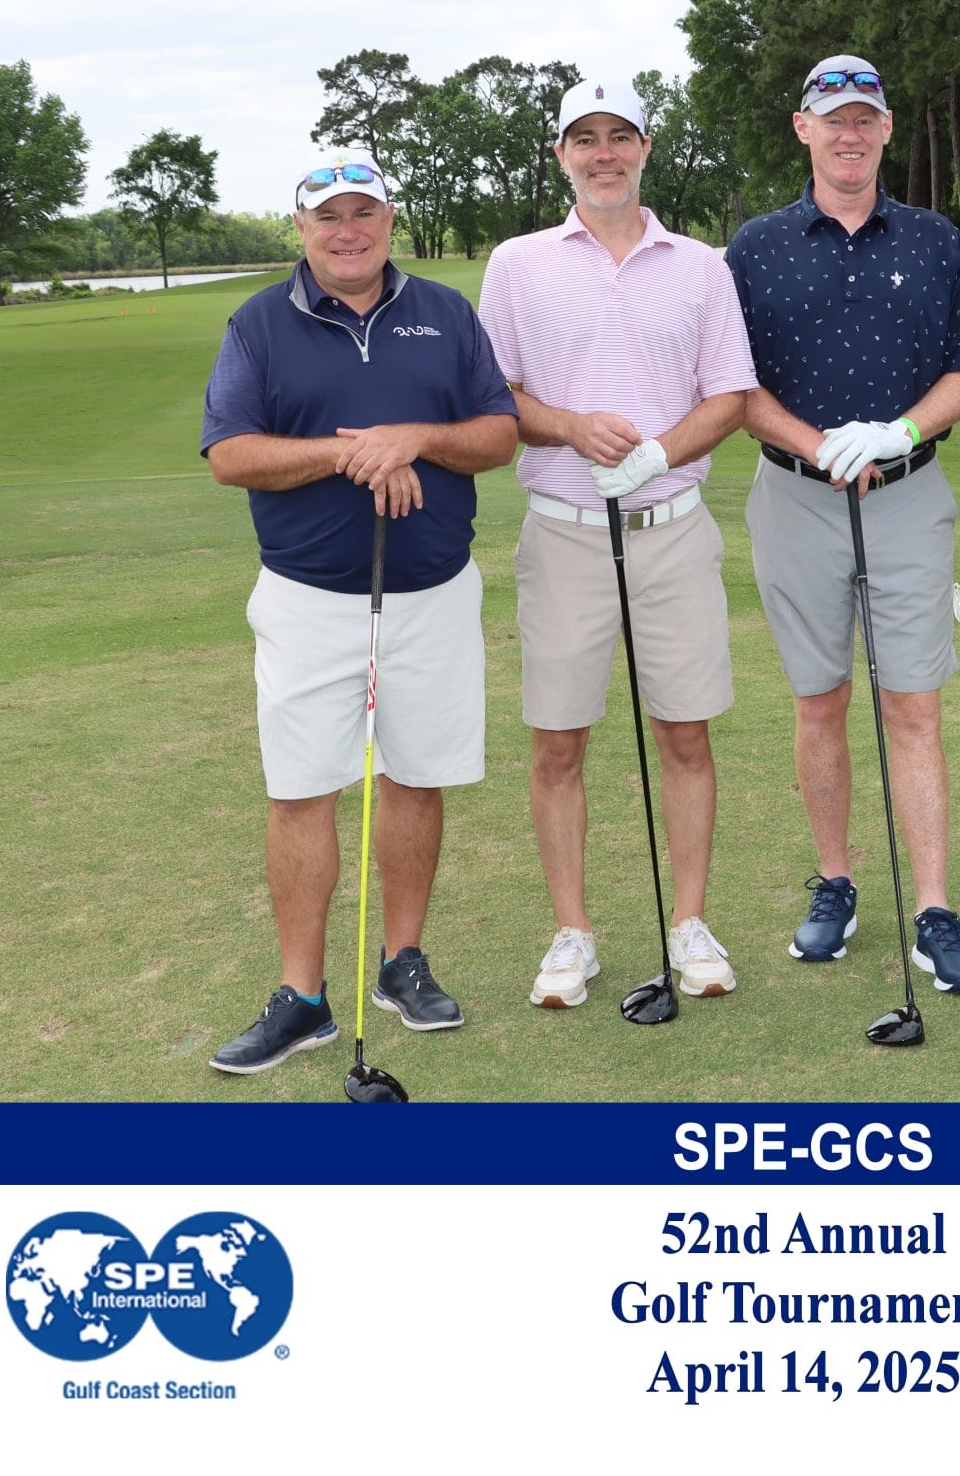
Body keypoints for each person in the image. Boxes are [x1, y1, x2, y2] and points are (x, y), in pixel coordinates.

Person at [198, 152, 518, 1070]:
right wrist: (354, 454)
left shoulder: (446, 313)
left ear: (390, 220)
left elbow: (498, 433)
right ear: (301, 228)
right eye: (329, 216)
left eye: (364, 213)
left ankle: (402, 962)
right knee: (301, 790)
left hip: (433, 592)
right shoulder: (259, 324)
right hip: (307, 598)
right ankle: (303, 997)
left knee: (416, 776)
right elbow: (230, 453)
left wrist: (415, 438)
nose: (348, 231)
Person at [722, 53, 960, 995]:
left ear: (885, 130)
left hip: (909, 493)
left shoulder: (934, 238)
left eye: (865, 119)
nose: (850, 133)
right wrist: (819, 443)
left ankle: (934, 908)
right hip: (795, 495)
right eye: (832, 117)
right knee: (820, 699)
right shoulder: (755, 246)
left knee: (913, 703)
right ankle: (836, 882)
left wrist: (900, 430)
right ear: (803, 128)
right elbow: (733, 384)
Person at [479, 77, 757, 1008]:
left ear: (645, 147)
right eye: (585, 138)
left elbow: (730, 394)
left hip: (672, 530)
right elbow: (494, 394)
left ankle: (689, 922)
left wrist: (656, 454)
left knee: (685, 732)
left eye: (620, 135)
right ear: (561, 153)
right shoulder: (517, 264)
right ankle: (573, 931)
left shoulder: (702, 266)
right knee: (558, 741)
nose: (604, 153)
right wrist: (570, 427)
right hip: (564, 535)